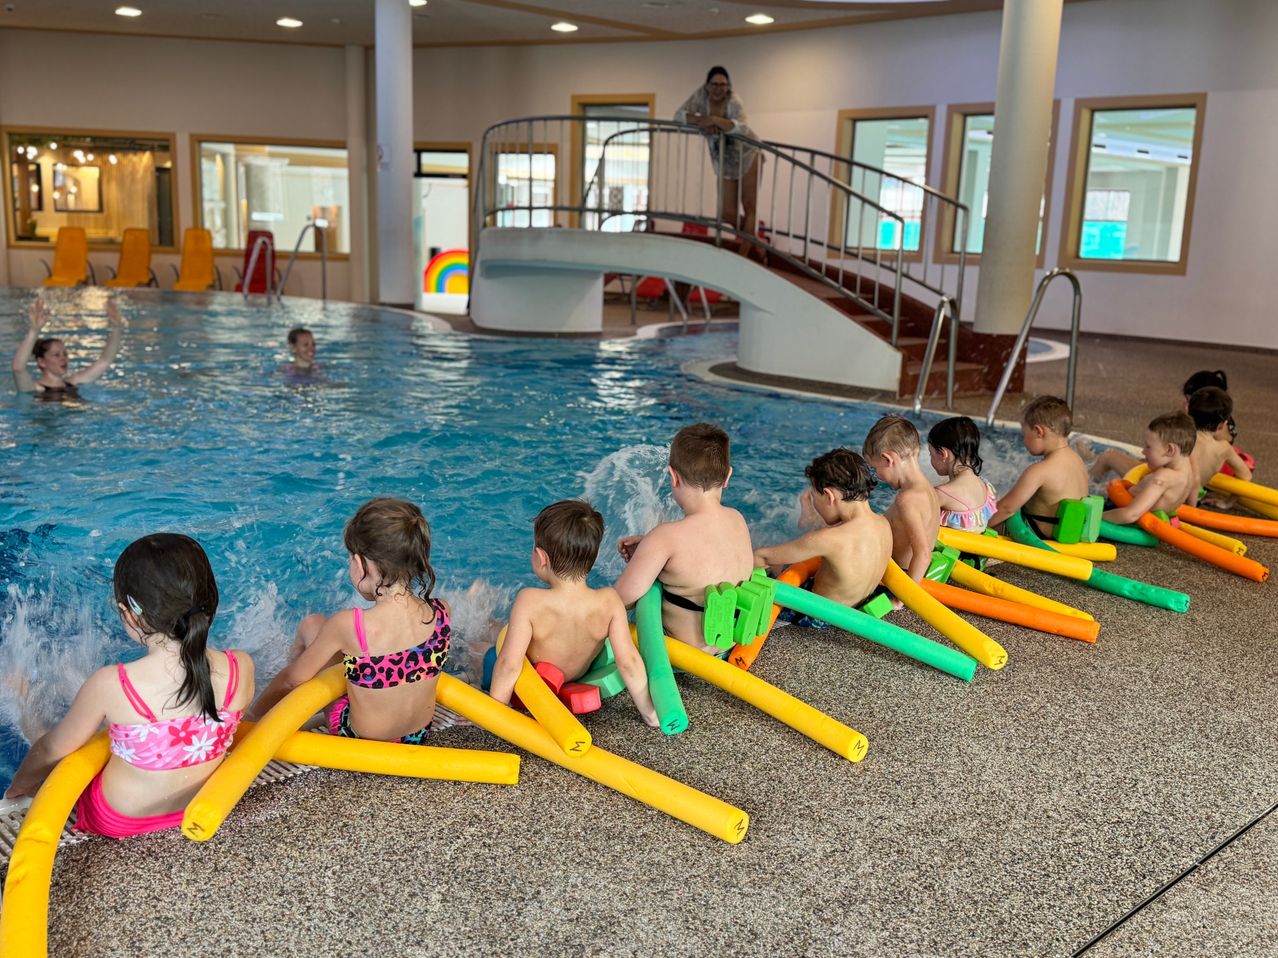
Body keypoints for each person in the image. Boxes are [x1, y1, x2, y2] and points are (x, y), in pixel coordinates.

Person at [3, 534, 255, 839]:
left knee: (50, 738)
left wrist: (20, 789)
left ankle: (24, 690)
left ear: (128, 614)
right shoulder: (240, 667)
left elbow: (51, 750)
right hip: (199, 805)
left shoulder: (113, 683)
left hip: (118, 820)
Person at [249, 498, 449, 744]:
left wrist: (252, 714)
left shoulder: (349, 625)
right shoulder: (440, 612)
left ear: (359, 563)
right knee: (313, 624)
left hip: (359, 737)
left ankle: (293, 713)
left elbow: (294, 679)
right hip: (416, 735)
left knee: (310, 637)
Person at [490, 500, 658, 728]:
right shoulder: (609, 601)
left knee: (487, 647)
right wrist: (649, 713)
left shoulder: (529, 601)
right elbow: (628, 662)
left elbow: (509, 665)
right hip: (576, 676)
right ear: (593, 556)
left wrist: (496, 715)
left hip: (532, 684)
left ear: (541, 558)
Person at [613, 423, 755, 654]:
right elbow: (706, 558)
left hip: (681, 652)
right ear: (728, 476)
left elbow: (621, 599)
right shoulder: (737, 519)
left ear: (673, 476)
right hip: (729, 644)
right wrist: (650, 553)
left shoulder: (665, 537)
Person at [753, 448, 892, 611]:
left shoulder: (828, 539)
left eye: (814, 497)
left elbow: (762, 557)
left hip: (819, 615)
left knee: (772, 565)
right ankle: (809, 519)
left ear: (829, 496)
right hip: (858, 602)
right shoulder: (883, 523)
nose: (815, 503)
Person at [674, 66, 764, 261]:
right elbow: (679, 116)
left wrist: (714, 120)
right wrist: (702, 120)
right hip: (724, 157)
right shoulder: (700, 97)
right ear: (707, 86)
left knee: (749, 206)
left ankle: (745, 255)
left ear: (727, 86)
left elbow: (742, 127)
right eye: (714, 84)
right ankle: (755, 241)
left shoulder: (734, 101)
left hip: (748, 153)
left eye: (723, 85)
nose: (718, 89)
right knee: (727, 213)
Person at [988, 396, 1090, 538]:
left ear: (1038, 432)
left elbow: (1007, 508)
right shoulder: (1078, 461)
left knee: (988, 513)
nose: (1024, 441)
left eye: (1025, 434)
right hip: (1068, 532)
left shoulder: (1039, 470)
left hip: (1038, 534)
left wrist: (979, 526)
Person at [862, 415, 938, 583]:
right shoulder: (928, 490)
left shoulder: (908, 499)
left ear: (888, 460)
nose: (878, 476)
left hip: (899, 574)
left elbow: (923, 554)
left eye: (876, 469)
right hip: (903, 569)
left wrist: (901, 599)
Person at [11, 297, 124, 397]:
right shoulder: (34, 389)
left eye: (65, 354)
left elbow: (105, 360)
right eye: (56, 355)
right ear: (42, 362)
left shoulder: (74, 382)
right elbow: (18, 368)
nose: (63, 358)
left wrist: (117, 328)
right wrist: (34, 331)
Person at [1102, 412, 1198, 523]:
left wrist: (1094, 517)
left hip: (1117, 510)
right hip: (1145, 512)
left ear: (1170, 450)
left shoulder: (1163, 478)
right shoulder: (1188, 474)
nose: (1143, 451)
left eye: (1148, 447)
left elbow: (1131, 514)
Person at [927, 416, 999, 533]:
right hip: (976, 549)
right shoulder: (985, 486)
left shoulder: (941, 494)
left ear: (943, 454)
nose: (931, 458)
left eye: (931, 454)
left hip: (952, 550)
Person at [1185, 387, 1252, 498]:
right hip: (1192, 500)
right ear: (1222, 424)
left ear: (1188, 413)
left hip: (1168, 496)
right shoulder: (1224, 449)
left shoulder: (1180, 436)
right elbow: (1246, 476)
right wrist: (1227, 503)